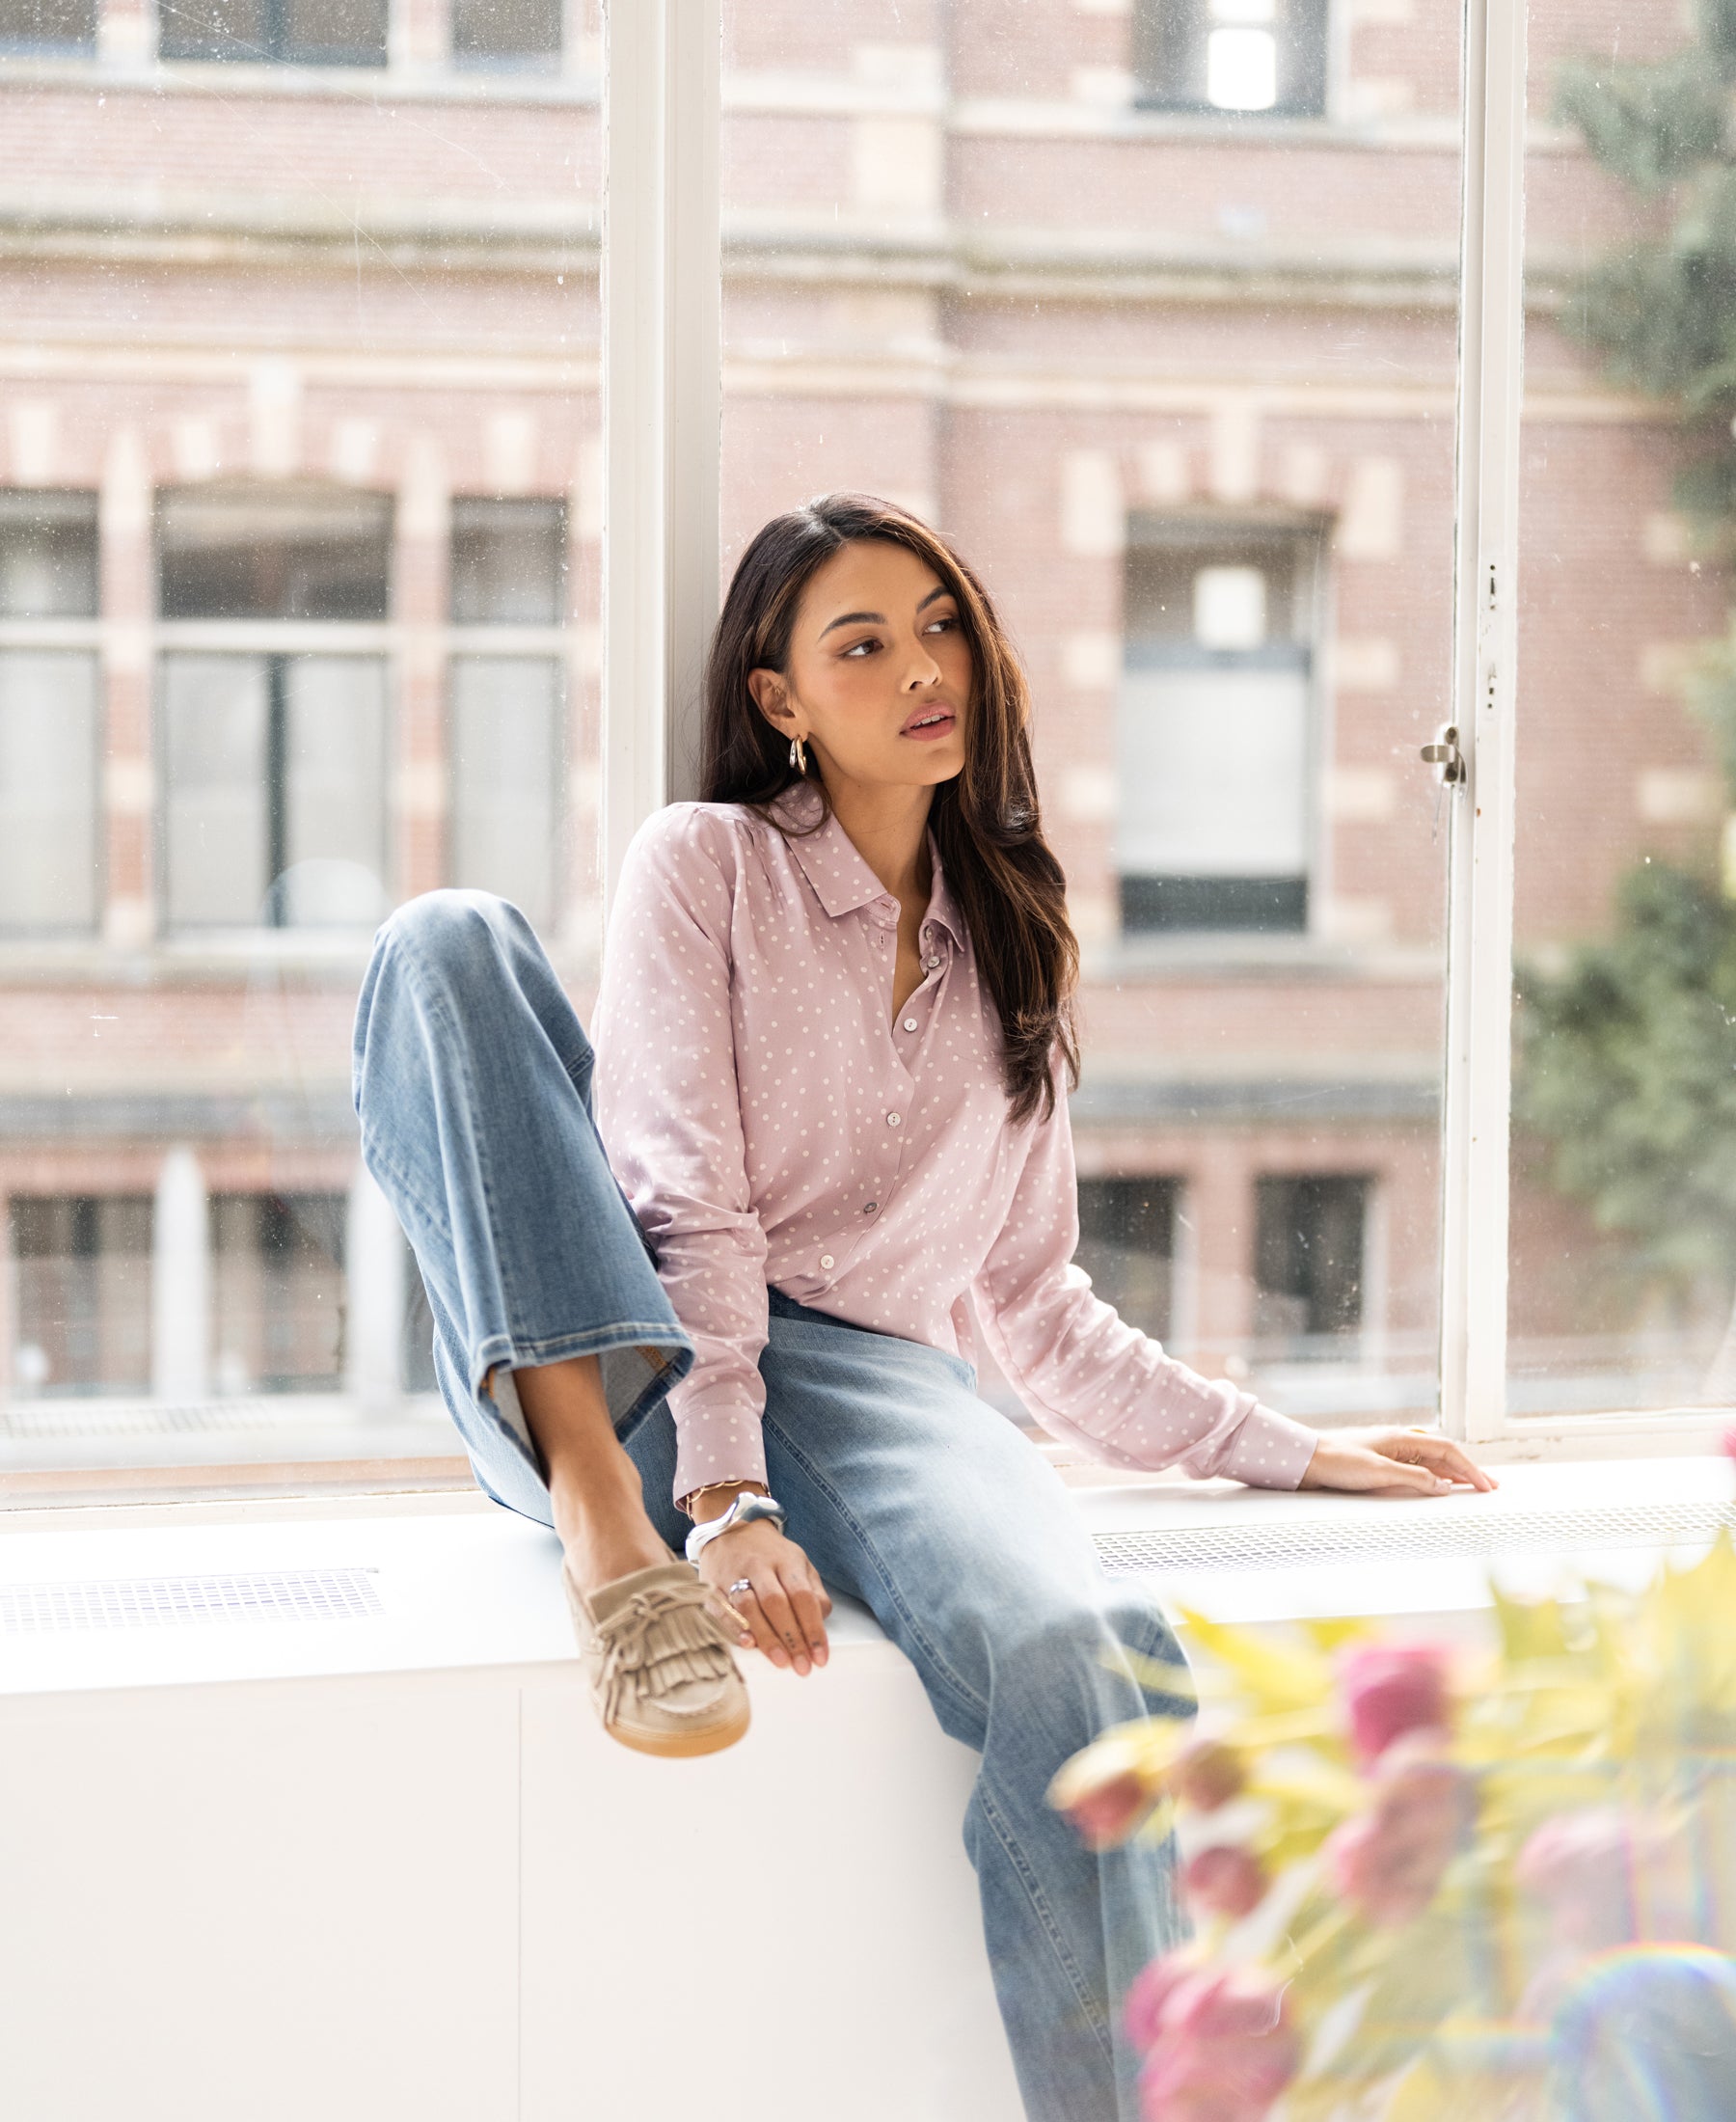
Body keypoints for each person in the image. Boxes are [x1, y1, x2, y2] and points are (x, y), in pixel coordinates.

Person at [351, 491, 1492, 2121]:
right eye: (861, 642)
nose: (920, 667)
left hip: (879, 1385)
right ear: (780, 700)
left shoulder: (1014, 941)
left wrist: (1288, 1450)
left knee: (1077, 1653)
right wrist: (722, 1491)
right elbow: (686, 1195)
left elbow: (1034, 1303)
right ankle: (615, 1540)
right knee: (445, 939)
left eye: (939, 623)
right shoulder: (710, 866)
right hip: (618, 1343)